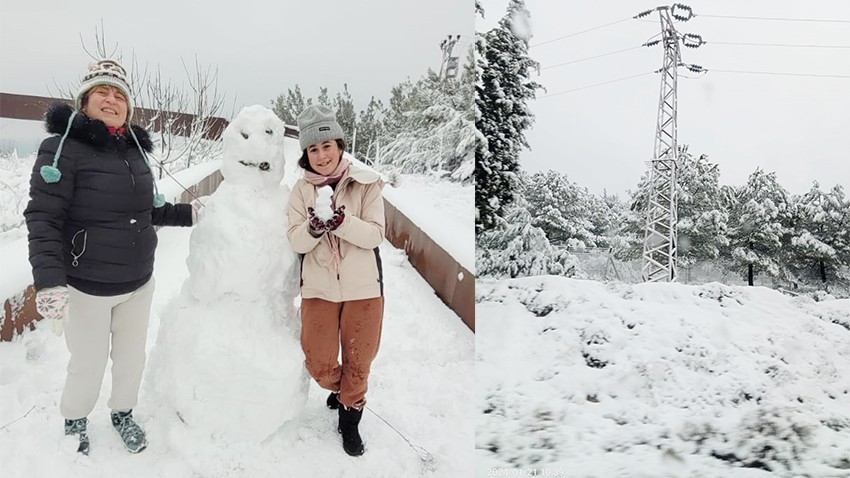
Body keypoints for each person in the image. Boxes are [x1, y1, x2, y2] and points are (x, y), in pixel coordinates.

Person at [24, 59, 196, 455]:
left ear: (128, 108)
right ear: (84, 100)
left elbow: (147, 210)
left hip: (138, 282)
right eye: (102, 91)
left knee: (131, 359)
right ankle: (75, 418)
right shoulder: (62, 150)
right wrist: (49, 280)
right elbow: (43, 217)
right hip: (88, 286)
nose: (111, 98)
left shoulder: (132, 151)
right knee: (88, 362)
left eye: (119, 94)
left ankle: (122, 412)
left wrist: (192, 214)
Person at [286, 105, 385, 456]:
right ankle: (342, 389)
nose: (321, 155)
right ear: (306, 155)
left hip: (363, 289)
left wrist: (343, 222)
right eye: (313, 149)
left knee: (359, 360)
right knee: (318, 362)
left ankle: (349, 420)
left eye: (326, 145)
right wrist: (313, 228)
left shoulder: (366, 184)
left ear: (339, 145)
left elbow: (375, 235)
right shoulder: (300, 192)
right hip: (319, 290)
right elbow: (296, 240)